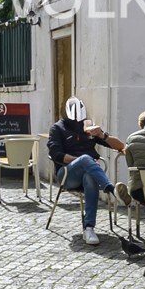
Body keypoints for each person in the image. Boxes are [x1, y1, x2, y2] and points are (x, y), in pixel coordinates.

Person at [47, 96, 125, 246]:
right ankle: (111, 189)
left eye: (80, 122)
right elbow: (56, 154)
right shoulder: (57, 128)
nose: (78, 124)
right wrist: (82, 161)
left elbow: (119, 146)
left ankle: (89, 228)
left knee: (90, 176)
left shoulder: (88, 127)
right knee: (85, 159)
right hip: (67, 174)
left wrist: (102, 135)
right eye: (74, 122)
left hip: (89, 173)